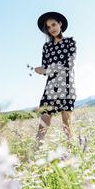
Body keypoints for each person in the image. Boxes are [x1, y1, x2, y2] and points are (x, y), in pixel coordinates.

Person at [34, 11, 77, 149]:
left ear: (60, 24)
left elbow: (68, 65)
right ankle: (36, 152)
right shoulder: (46, 47)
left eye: (53, 24)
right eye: (48, 27)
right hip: (51, 87)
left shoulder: (70, 42)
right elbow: (45, 68)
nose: (51, 28)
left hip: (66, 85)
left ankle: (73, 151)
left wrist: (46, 70)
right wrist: (41, 70)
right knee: (43, 121)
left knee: (66, 123)